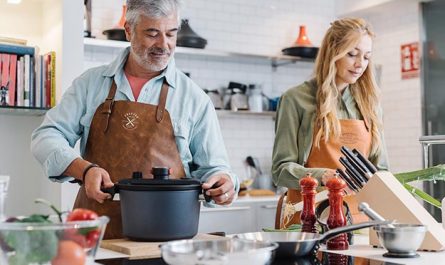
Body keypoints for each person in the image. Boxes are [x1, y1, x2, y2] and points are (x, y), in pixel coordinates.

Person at [31, 0, 239, 239]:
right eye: (152, 34)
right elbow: (45, 136)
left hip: (168, 239)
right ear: (129, 30)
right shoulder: (89, 85)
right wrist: (85, 170)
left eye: (171, 34)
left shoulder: (195, 98)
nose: (164, 45)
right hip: (95, 234)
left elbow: (215, 169)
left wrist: (224, 182)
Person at [272, 17, 389, 228]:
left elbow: (381, 170)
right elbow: (281, 171)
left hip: (359, 219)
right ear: (332, 53)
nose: (360, 64)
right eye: (352, 54)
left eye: (366, 56)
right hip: (309, 219)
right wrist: (323, 176)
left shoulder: (370, 105)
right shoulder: (295, 99)